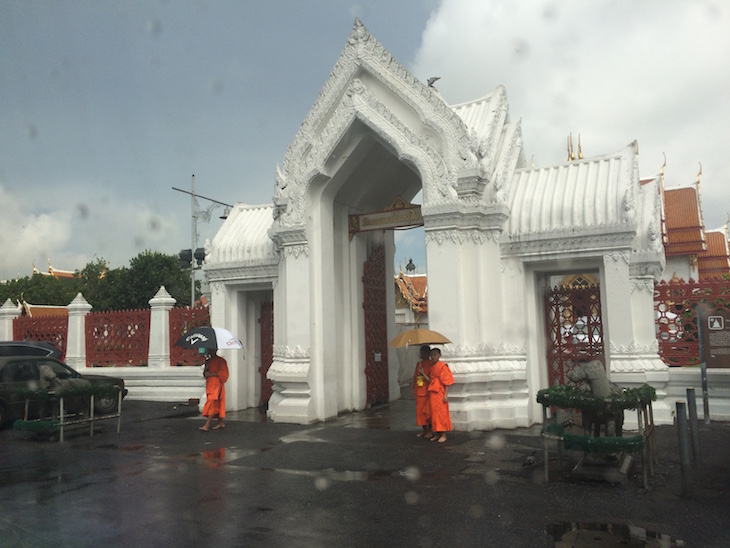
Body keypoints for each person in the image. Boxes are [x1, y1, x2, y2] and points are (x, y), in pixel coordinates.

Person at [427, 347, 455, 443]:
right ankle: (437, 433)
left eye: (435, 355)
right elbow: (431, 380)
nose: (433, 357)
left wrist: (445, 395)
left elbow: (446, 382)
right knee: (434, 414)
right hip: (432, 393)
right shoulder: (432, 367)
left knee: (441, 414)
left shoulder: (443, 366)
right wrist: (423, 373)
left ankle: (443, 434)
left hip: (440, 393)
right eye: (432, 355)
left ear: (439, 355)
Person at [200, 348, 229, 431]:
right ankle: (221, 422)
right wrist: (207, 365)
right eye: (209, 350)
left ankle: (207, 425)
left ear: (215, 350)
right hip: (210, 384)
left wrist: (211, 374)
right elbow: (205, 374)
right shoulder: (208, 361)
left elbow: (224, 374)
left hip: (217, 384)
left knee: (212, 402)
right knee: (216, 403)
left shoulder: (221, 361)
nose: (210, 352)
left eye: (212, 350)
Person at [410, 345, 434, 438]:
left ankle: (429, 430)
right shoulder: (419, 364)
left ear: (427, 353)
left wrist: (423, 373)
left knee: (428, 411)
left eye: (422, 352)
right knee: (420, 412)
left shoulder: (432, 363)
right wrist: (412, 388)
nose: (420, 354)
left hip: (428, 390)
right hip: (419, 389)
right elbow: (414, 377)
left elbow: (431, 378)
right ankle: (424, 430)